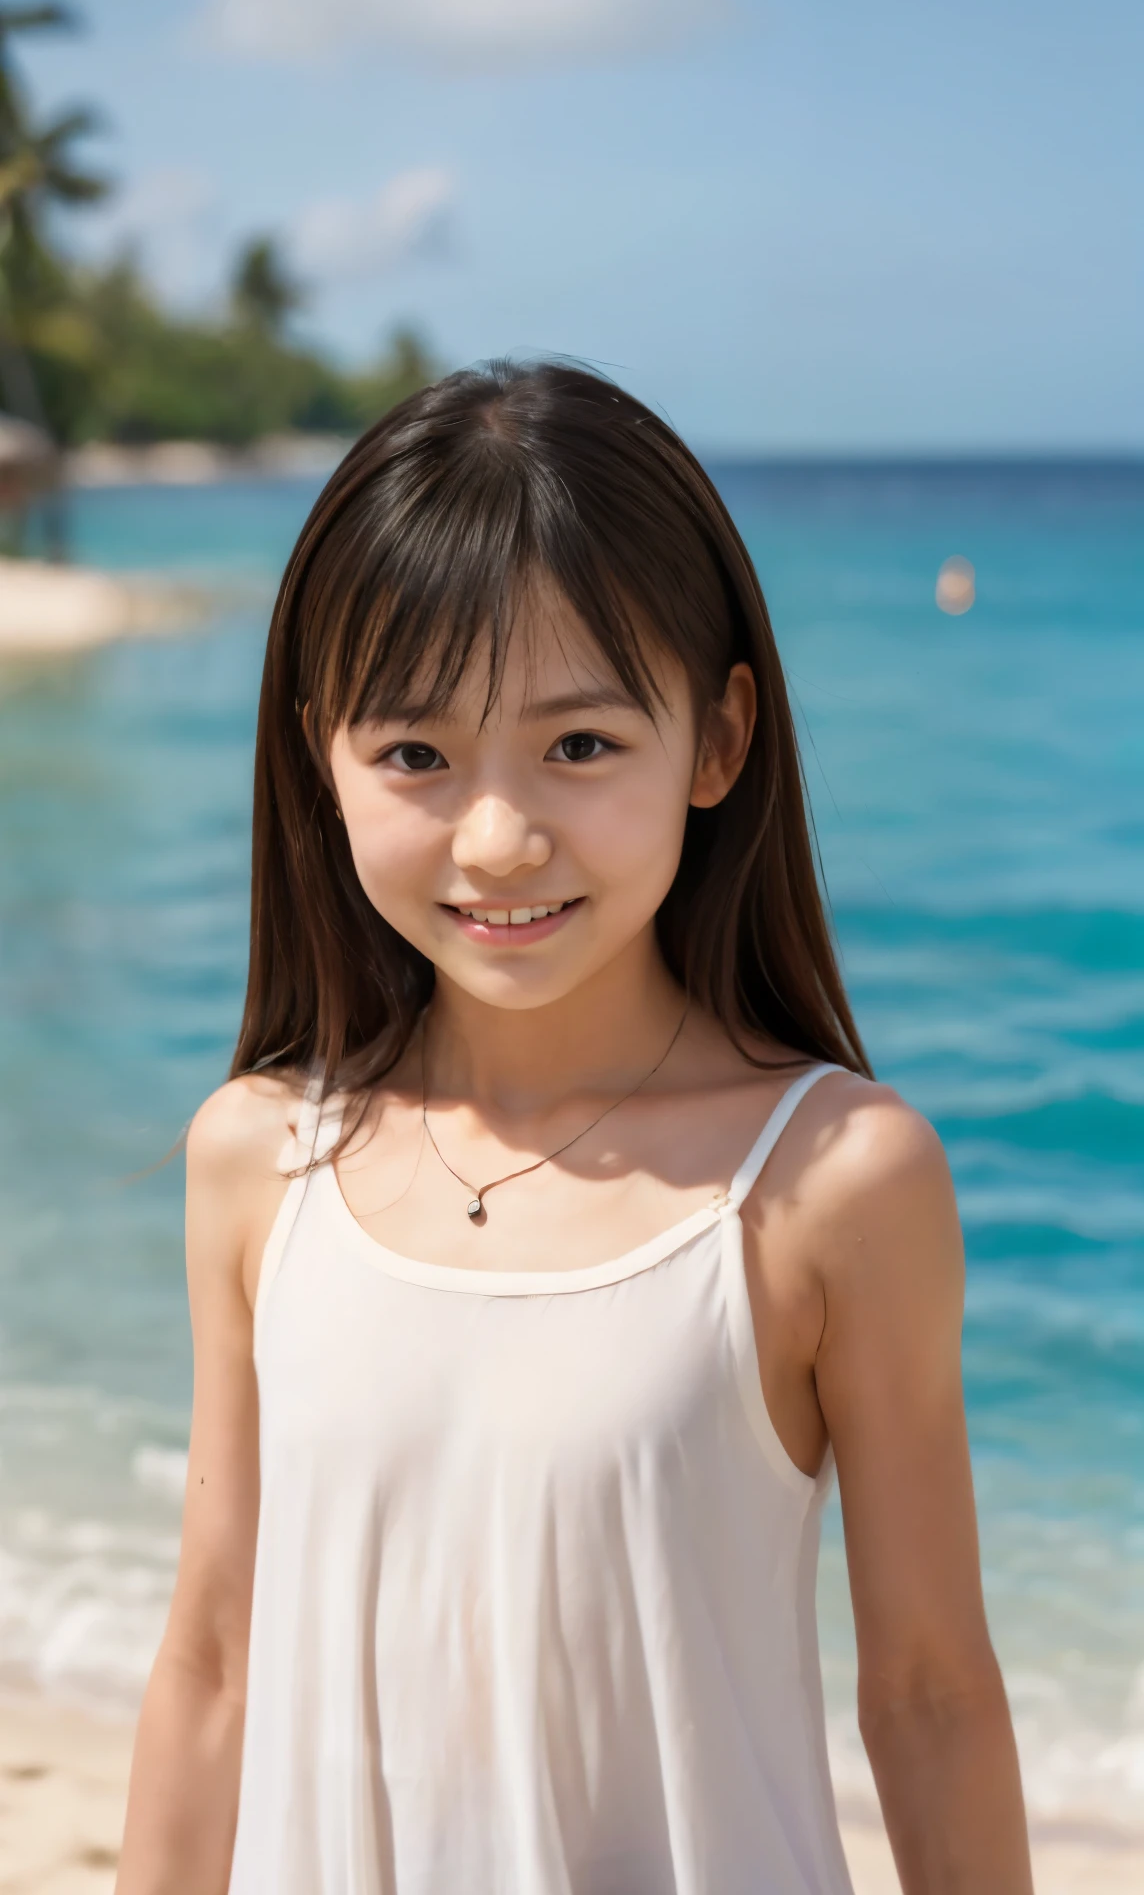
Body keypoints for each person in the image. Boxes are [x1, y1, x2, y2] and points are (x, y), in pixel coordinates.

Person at [115, 363, 1032, 1894]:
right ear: (318, 758)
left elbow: (931, 1700)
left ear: (719, 742)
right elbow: (212, 1665)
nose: (497, 836)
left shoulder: (830, 1181)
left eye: (582, 747)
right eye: (414, 755)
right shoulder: (261, 1166)